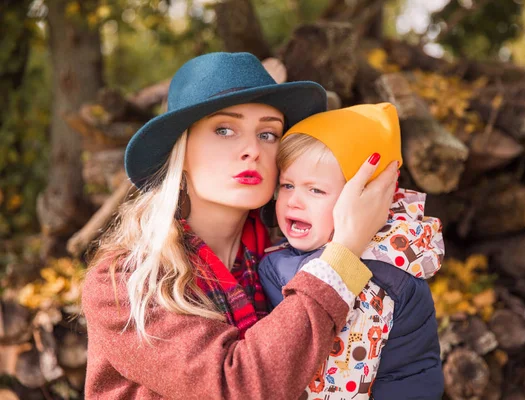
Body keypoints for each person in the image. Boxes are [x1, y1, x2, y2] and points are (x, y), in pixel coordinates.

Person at [80, 52, 398, 399]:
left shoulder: (289, 256)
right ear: (181, 151)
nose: (251, 149)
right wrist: (344, 255)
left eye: (268, 134)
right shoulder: (122, 283)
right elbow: (237, 387)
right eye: (225, 129)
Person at [259, 103, 445, 400]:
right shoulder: (281, 261)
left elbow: (400, 373)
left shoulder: (383, 281)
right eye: (287, 185)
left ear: (363, 199)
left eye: (315, 190)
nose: (294, 201)